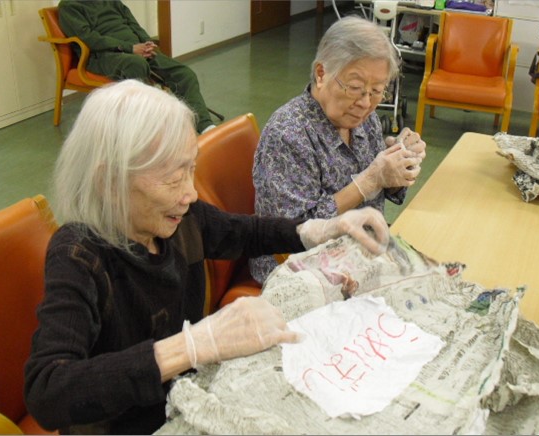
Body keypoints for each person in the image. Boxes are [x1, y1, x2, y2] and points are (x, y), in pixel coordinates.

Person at [24, 79, 391, 435]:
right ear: (109, 181)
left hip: (189, 400)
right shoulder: (78, 254)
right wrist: (192, 345)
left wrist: (321, 228)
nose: (190, 193)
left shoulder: (180, 218)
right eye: (173, 178)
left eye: (191, 169)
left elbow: (246, 232)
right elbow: (48, 391)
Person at [250, 16, 427, 284]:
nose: (365, 103)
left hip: (360, 253)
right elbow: (292, 235)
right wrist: (369, 180)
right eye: (355, 88)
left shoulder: (364, 119)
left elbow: (383, 186)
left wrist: (399, 162)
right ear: (321, 74)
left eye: (377, 91)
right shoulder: (288, 133)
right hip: (299, 273)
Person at [58, 0, 215, 133]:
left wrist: (147, 43)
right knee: (136, 65)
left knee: (183, 73)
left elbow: (133, 24)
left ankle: (205, 126)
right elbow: (90, 39)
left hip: (136, 49)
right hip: (102, 55)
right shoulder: (69, 6)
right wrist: (130, 48)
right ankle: (150, 129)